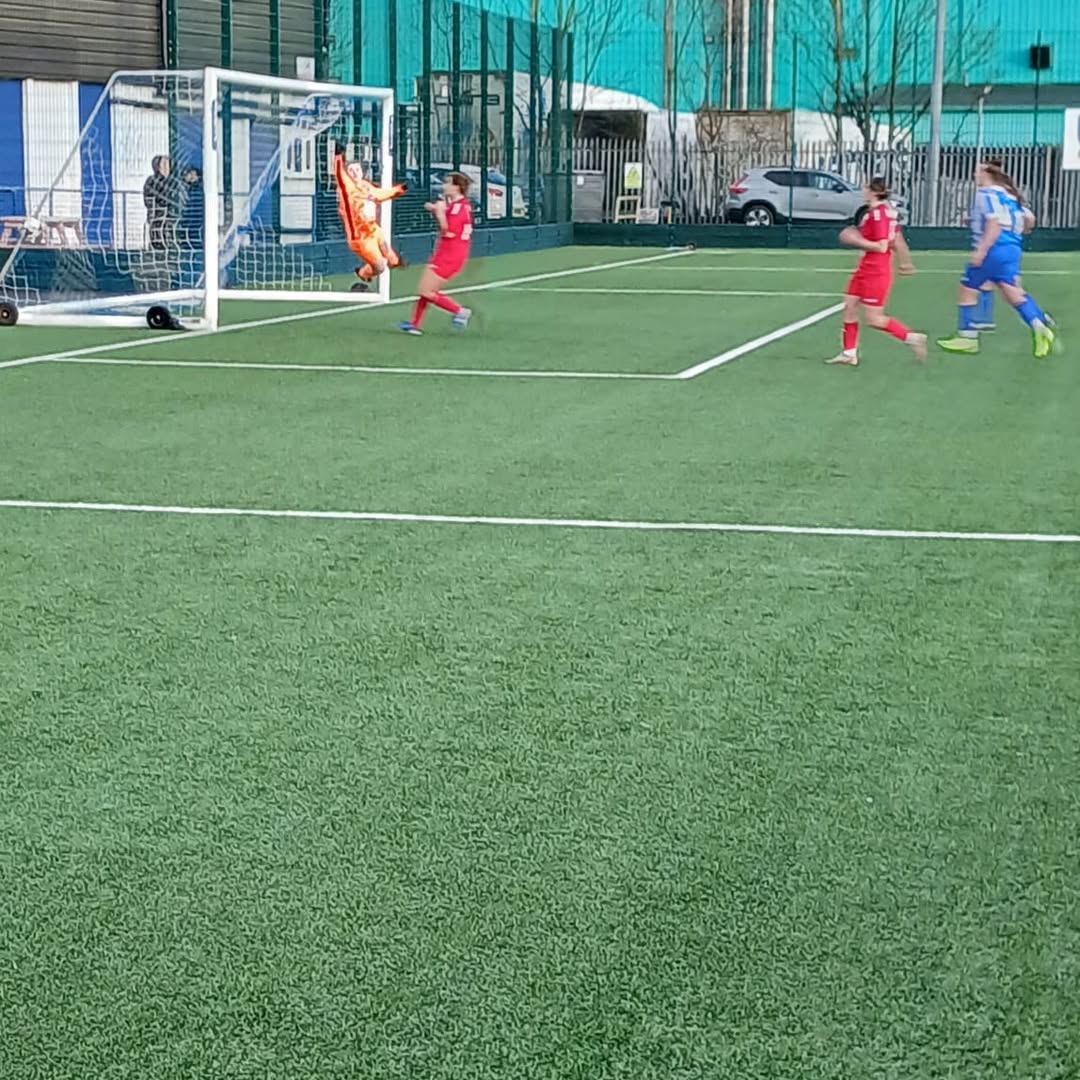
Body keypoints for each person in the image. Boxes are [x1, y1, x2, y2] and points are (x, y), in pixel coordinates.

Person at [937, 163, 1054, 358]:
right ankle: (1038, 325)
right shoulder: (1009, 196)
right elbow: (1028, 220)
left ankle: (967, 338)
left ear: (987, 174)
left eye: (977, 172)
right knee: (1012, 292)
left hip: (994, 248)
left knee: (967, 289)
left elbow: (994, 223)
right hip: (1013, 248)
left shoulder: (985, 194)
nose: (975, 176)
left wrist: (981, 250)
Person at [826, 178, 926, 367]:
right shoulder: (881, 212)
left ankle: (912, 338)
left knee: (874, 319)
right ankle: (849, 353)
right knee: (849, 306)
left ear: (873, 191)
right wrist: (905, 262)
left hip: (876, 271)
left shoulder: (879, 215)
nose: (862, 190)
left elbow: (881, 247)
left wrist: (853, 239)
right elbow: (896, 239)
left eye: (865, 187)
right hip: (865, 268)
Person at [398, 171, 474, 335]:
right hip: (448, 253)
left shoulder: (458, 209)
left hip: (450, 255)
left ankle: (460, 311)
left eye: (448, 183)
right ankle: (414, 324)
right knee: (427, 289)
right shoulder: (459, 206)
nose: (444, 186)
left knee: (426, 291)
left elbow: (448, 231)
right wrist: (435, 209)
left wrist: (439, 213)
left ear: (457, 187)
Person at [333, 147, 406, 290]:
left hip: (373, 229)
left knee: (386, 248)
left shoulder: (366, 186)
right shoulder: (346, 188)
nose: (355, 173)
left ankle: (395, 261)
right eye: (351, 171)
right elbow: (339, 173)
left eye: (357, 170)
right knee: (380, 267)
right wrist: (338, 156)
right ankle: (363, 273)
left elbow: (381, 194)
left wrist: (401, 189)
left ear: (362, 171)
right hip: (360, 237)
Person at [143, 155, 180, 250]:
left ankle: (169, 244)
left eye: (168, 164)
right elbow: (150, 196)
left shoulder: (172, 181)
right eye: (163, 164)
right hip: (158, 211)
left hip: (169, 212)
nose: (166, 167)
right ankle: (158, 245)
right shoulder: (152, 180)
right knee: (158, 228)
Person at [178, 165, 204, 247]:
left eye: (194, 174)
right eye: (190, 174)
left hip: (196, 219)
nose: (191, 176)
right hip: (191, 220)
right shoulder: (186, 188)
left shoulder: (197, 188)